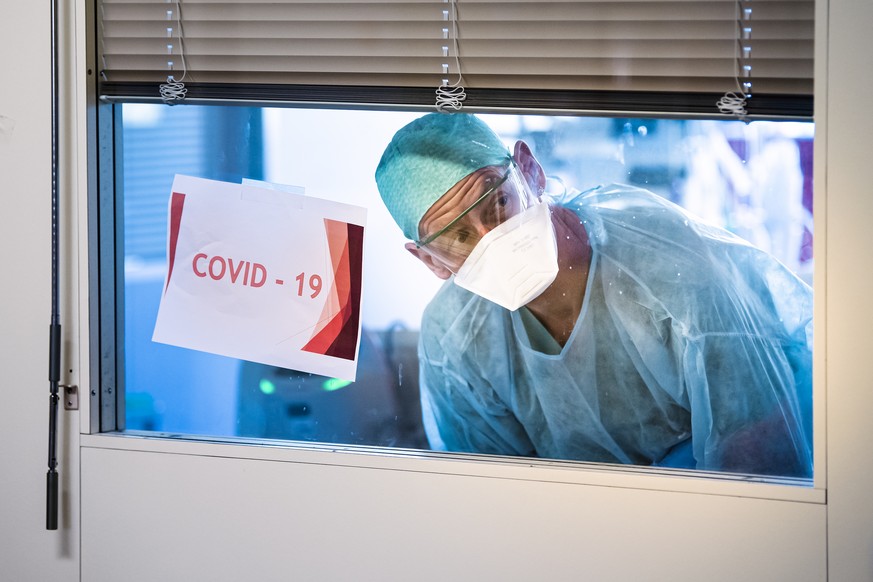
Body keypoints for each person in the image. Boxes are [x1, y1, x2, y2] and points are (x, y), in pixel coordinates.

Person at [374, 112, 813, 477]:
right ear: (430, 261)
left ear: (529, 170)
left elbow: (758, 465)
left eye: (499, 204)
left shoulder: (672, 269)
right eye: (458, 238)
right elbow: (494, 499)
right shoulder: (456, 341)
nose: (493, 239)